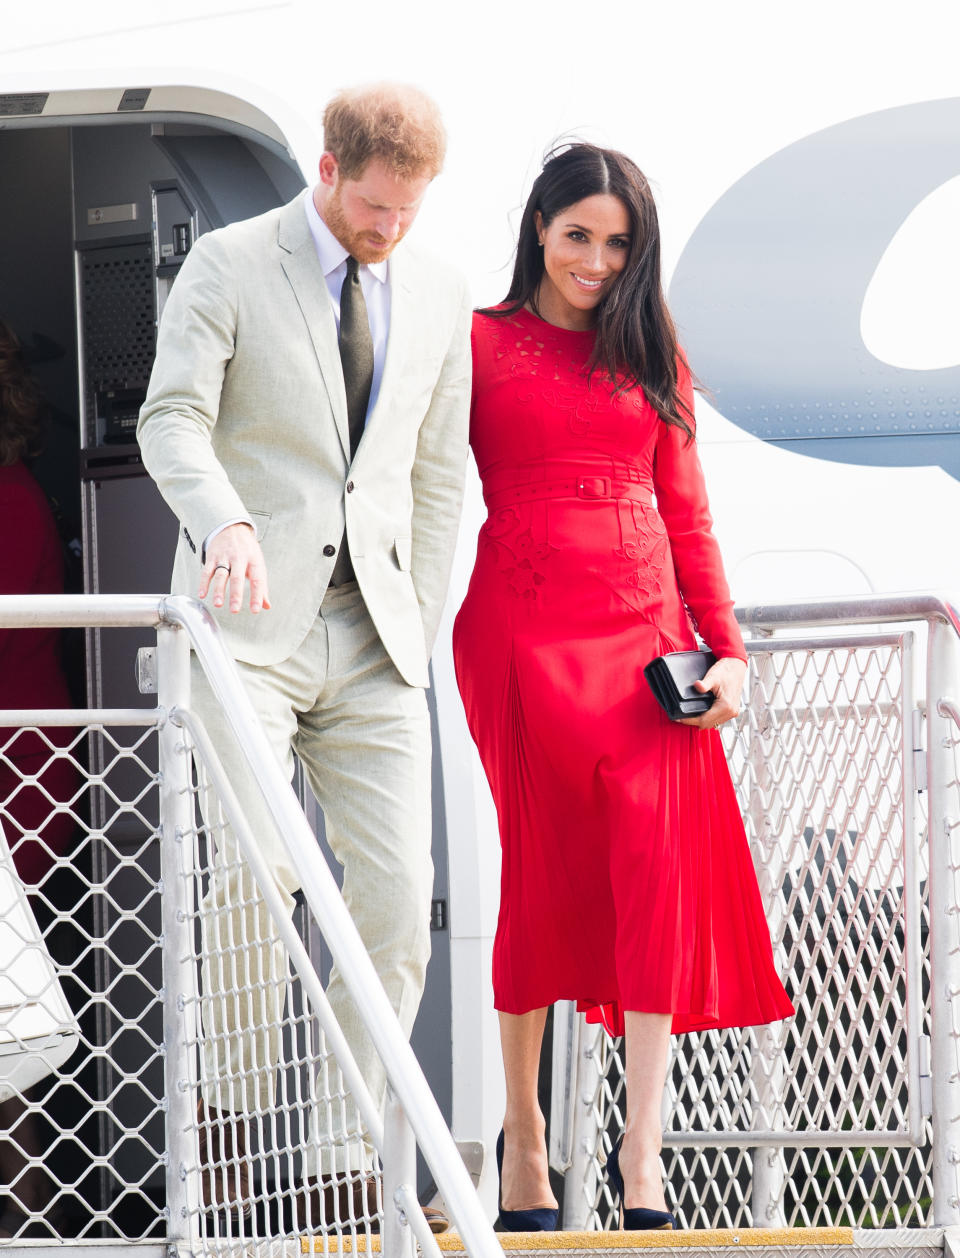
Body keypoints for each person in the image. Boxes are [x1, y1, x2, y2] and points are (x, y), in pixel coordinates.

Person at [137, 84, 471, 1230]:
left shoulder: (435, 291)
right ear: (327, 170)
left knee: (394, 891)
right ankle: (228, 1127)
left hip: (377, 636)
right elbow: (170, 418)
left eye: (408, 214)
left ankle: (340, 1143)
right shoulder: (228, 264)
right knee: (253, 869)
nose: (390, 232)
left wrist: (418, 626)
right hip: (250, 623)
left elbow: (438, 475)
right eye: (375, 208)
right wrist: (220, 519)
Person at [452, 144, 794, 1232]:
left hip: (647, 646)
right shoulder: (474, 343)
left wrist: (726, 647)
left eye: (619, 242)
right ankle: (526, 1139)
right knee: (540, 877)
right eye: (579, 236)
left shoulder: (654, 353)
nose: (598, 260)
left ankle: (640, 1152)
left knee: (656, 875)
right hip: (517, 635)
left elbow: (690, 515)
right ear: (538, 229)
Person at [0, 319, 79, 1237]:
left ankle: (23, 1208)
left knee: (14, 1007)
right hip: (32, 767)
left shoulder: (12, 500)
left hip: (18, 775)